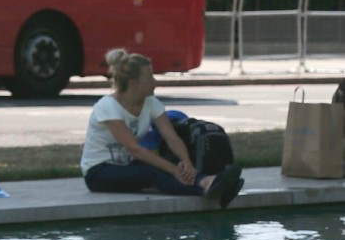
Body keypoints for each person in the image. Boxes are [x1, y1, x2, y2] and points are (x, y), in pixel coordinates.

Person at [80, 48, 243, 208]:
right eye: (149, 77)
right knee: (154, 173)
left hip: (128, 166)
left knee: (172, 162)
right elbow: (134, 149)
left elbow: (171, 137)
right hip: (99, 172)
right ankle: (205, 186)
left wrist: (185, 162)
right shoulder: (108, 106)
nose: (155, 82)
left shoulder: (151, 103)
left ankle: (212, 185)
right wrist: (173, 170)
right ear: (133, 83)